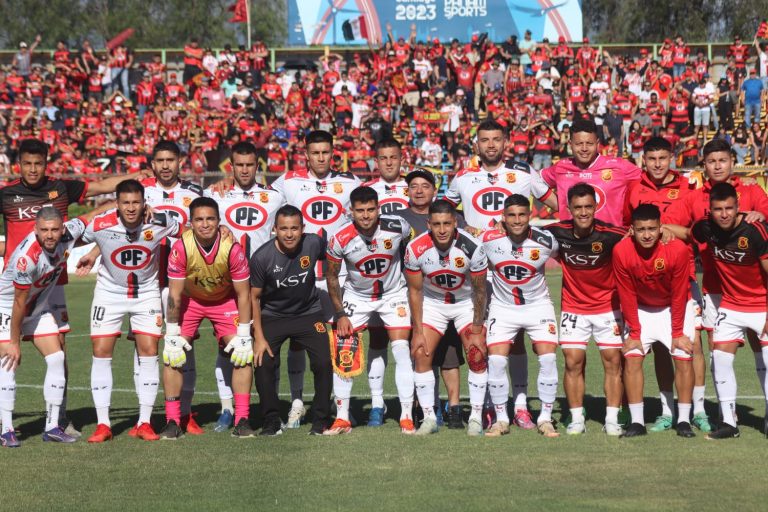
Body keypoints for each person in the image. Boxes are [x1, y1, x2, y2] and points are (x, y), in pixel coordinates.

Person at [0, 138, 147, 436]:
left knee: (59, 350)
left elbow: (100, 187)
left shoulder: (60, 188)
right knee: (8, 355)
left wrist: (137, 177)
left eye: (38, 163)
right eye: (27, 164)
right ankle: (7, 424)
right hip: (18, 282)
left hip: (51, 284)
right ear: (18, 165)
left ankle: (59, 417)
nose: (32, 169)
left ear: (46, 164)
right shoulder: (6, 194)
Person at [444, 118, 553, 430]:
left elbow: (556, 202)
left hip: (512, 271)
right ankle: (491, 406)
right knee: (485, 341)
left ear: (506, 142)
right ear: (476, 144)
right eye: (484, 140)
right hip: (476, 272)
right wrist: (464, 226)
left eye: (496, 139)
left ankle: (520, 406)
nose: (490, 145)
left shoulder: (523, 172)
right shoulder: (463, 177)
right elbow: (445, 211)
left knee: (516, 341)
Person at [664, 139, 768, 407]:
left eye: (723, 160)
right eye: (712, 161)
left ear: (733, 162)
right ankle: (725, 413)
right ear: (704, 165)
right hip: (715, 288)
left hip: (756, 290)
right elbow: (669, 225)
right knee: (718, 351)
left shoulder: (752, 190)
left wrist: (760, 216)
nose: (718, 166)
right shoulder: (694, 197)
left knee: (761, 346)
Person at [79, 180, 181, 443]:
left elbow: (187, 230)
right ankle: (103, 424)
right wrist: (93, 252)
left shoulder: (160, 221)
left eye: (136, 202)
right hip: (109, 294)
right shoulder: (101, 223)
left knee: (149, 351)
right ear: (117, 203)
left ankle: (144, 422)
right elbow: (72, 235)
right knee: (101, 352)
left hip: (146, 294)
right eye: (125, 203)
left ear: (144, 202)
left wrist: (221, 229)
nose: (131, 208)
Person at [271, 130, 360, 428]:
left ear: (333, 153)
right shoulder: (288, 181)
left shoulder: (350, 182)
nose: (321, 158)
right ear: (306, 155)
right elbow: (261, 197)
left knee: (341, 339)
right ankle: (297, 402)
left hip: (338, 275)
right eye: (315, 153)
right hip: (302, 275)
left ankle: (339, 404)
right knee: (298, 341)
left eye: (325, 152)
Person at [0, 205, 107, 447]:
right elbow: (18, 303)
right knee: (8, 361)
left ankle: (52, 427)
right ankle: (6, 430)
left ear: (62, 229)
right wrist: (15, 342)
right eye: (44, 230)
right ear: (35, 230)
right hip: (6, 308)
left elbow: (91, 215)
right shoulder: (27, 258)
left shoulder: (69, 232)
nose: (50, 235)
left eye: (55, 230)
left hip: (37, 308)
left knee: (57, 358)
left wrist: (119, 204)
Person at [623, 137, 711, 433]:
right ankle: (666, 410)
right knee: (662, 349)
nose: (658, 164)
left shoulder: (688, 186)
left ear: (671, 158)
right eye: (652, 159)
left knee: (692, 345)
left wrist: (668, 230)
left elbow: (699, 231)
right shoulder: (634, 188)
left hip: (683, 278)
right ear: (643, 160)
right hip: (647, 282)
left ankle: (699, 410)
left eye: (663, 158)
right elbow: (629, 227)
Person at [204, 141, 283, 432]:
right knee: (228, 347)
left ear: (258, 165)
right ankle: (228, 408)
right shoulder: (215, 194)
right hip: (228, 283)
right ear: (231, 166)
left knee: (268, 347)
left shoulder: (275, 196)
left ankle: (269, 407)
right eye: (239, 165)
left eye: (250, 165)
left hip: (264, 284)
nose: (245, 170)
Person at [160, 197, 254, 439]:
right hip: (190, 301)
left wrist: (244, 333)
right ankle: (172, 420)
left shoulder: (232, 248)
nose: (205, 224)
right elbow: (174, 294)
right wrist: (171, 332)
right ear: (190, 223)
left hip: (224, 301)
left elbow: (244, 294)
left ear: (219, 220)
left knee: (243, 352)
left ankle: (242, 419)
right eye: (199, 219)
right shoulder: (181, 246)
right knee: (172, 353)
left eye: (210, 219)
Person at [325, 186, 414, 435]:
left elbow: (411, 247)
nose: (366, 216)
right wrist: (340, 314)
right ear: (351, 211)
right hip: (357, 296)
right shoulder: (339, 238)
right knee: (344, 349)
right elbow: (331, 276)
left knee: (401, 349)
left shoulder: (398, 226)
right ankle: (342, 417)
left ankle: (406, 415)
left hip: (393, 294)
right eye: (360, 211)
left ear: (379, 209)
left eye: (371, 210)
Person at [685, 183, 768, 439]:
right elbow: (688, 234)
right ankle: (730, 423)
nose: (724, 214)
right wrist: (664, 230)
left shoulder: (754, 230)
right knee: (720, 358)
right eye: (718, 209)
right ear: (710, 210)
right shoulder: (705, 227)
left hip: (762, 305)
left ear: (738, 207)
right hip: (731, 305)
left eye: (729, 208)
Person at [544, 183, 626, 435]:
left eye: (588, 206)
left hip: (608, 309)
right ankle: (577, 417)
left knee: (613, 362)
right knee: (572, 362)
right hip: (574, 309)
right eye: (577, 207)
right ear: (568, 208)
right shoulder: (555, 232)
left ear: (595, 207)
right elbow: (523, 231)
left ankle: (612, 419)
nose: (583, 212)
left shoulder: (611, 235)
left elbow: (641, 235)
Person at [404, 200, 488, 435]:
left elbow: (480, 291)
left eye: (447, 224)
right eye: (437, 224)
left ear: (455, 223)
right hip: (434, 304)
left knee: (477, 353)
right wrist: (417, 331)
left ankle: (476, 417)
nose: (442, 230)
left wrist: (477, 328)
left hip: (465, 303)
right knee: (421, 352)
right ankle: (429, 418)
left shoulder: (473, 247)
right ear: (428, 224)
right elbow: (415, 291)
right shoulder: (415, 248)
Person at [613, 204, 696, 438]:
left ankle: (683, 420)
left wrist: (677, 332)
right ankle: (637, 422)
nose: (647, 235)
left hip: (674, 308)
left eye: (651, 229)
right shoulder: (621, 251)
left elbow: (679, 293)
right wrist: (635, 334)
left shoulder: (678, 249)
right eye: (641, 230)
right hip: (640, 309)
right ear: (632, 230)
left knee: (683, 357)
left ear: (661, 228)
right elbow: (626, 293)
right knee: (632, 358)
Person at [481, 194, 560, 438]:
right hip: (503, 307)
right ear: (503, 218)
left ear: (530, 216)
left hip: (538, 306)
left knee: (548, 358)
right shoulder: (488, 239)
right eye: (512, 215)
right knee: (496, 361)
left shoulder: (546, 241)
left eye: (522, 215)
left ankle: (545, 418)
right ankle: (502, 420)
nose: (517, 220)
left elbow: (568, 256)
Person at [250, 206, 332, 436]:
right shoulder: (262, 257)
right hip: (273, 316)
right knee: (263, 362)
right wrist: (258, 337)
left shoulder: (313, 243)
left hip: (309, 313)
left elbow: (335, 257)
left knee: (324, 362)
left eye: (294, 228)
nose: (289, 234)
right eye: (283, 228)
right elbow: (254, 297)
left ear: (303, 229)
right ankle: (271, 420)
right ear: (274, 229)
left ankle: (321, 420)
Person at [537, 119, 642, 227]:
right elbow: (534, 180)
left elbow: (649, 183)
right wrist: (558, 204)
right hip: (571, 237)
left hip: (611, 236)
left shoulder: (620, 166)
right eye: (579, 144)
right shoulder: (561, 167)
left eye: (589, 143)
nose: (584, 149)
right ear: (570, 144)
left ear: (597, 143)